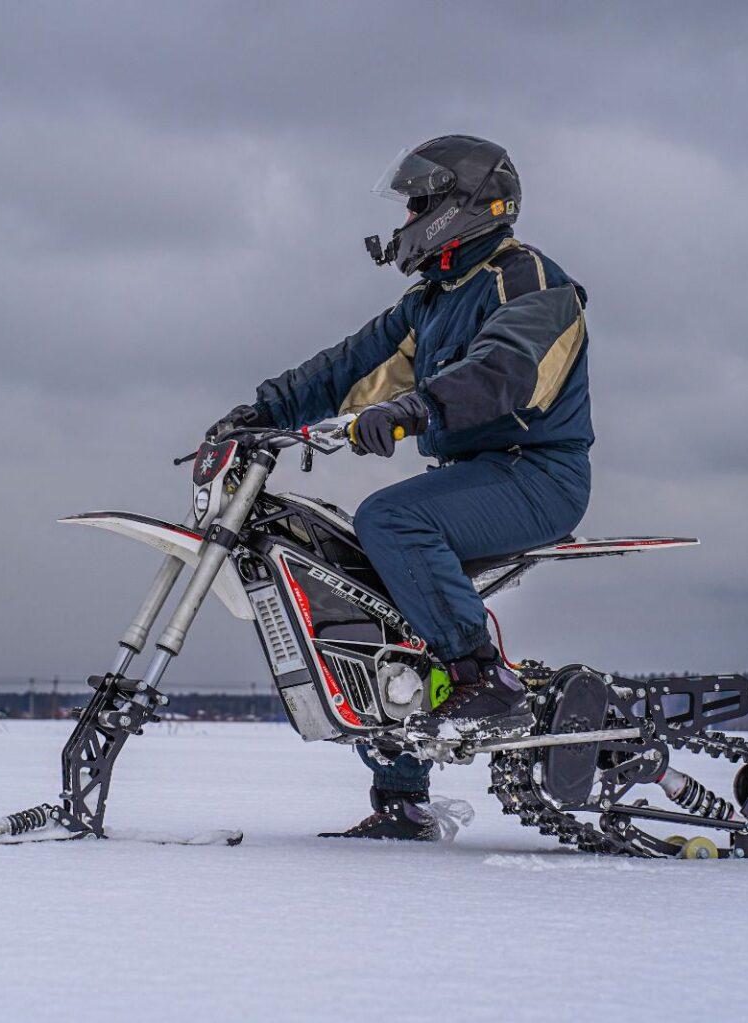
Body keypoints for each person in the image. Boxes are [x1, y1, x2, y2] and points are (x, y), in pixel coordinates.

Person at [207, 135, 594, 840]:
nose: (408, 218)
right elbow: (345, 369)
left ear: (462, 206)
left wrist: (415, 409)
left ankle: (484, 680)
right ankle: (401, 798)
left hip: (539, 473)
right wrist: (259, 413)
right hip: (474, 478)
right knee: (362, 579)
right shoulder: (430, 303)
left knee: (390, 520)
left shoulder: (533, 282)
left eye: (417, 204)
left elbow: (504, 370)